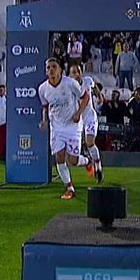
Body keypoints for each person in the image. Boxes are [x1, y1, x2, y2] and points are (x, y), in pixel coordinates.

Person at [38, 57, 90, 200]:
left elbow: (85, 97)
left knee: (72, 160)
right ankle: (69, 187)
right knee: (59, 157)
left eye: (54, 67)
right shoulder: (42, 89)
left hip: (72, 126)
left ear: (60, 69)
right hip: (56, 128)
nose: (51, 70)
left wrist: (78, 113)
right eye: (48, 68)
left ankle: (87, 161)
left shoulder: (70, 83)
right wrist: (44, 120)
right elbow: (44, 106)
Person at [69, 65, 104, 182]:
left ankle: (98, 167)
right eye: (74, 72)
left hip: (89, 117)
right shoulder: (68, 87)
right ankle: (88, 162)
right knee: (73, 154)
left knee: (90, 143)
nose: (76, 74)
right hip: (77, 121)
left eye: (78, 71)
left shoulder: (88, 81)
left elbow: (94, 89)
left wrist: (99, 96)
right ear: (70, 75)